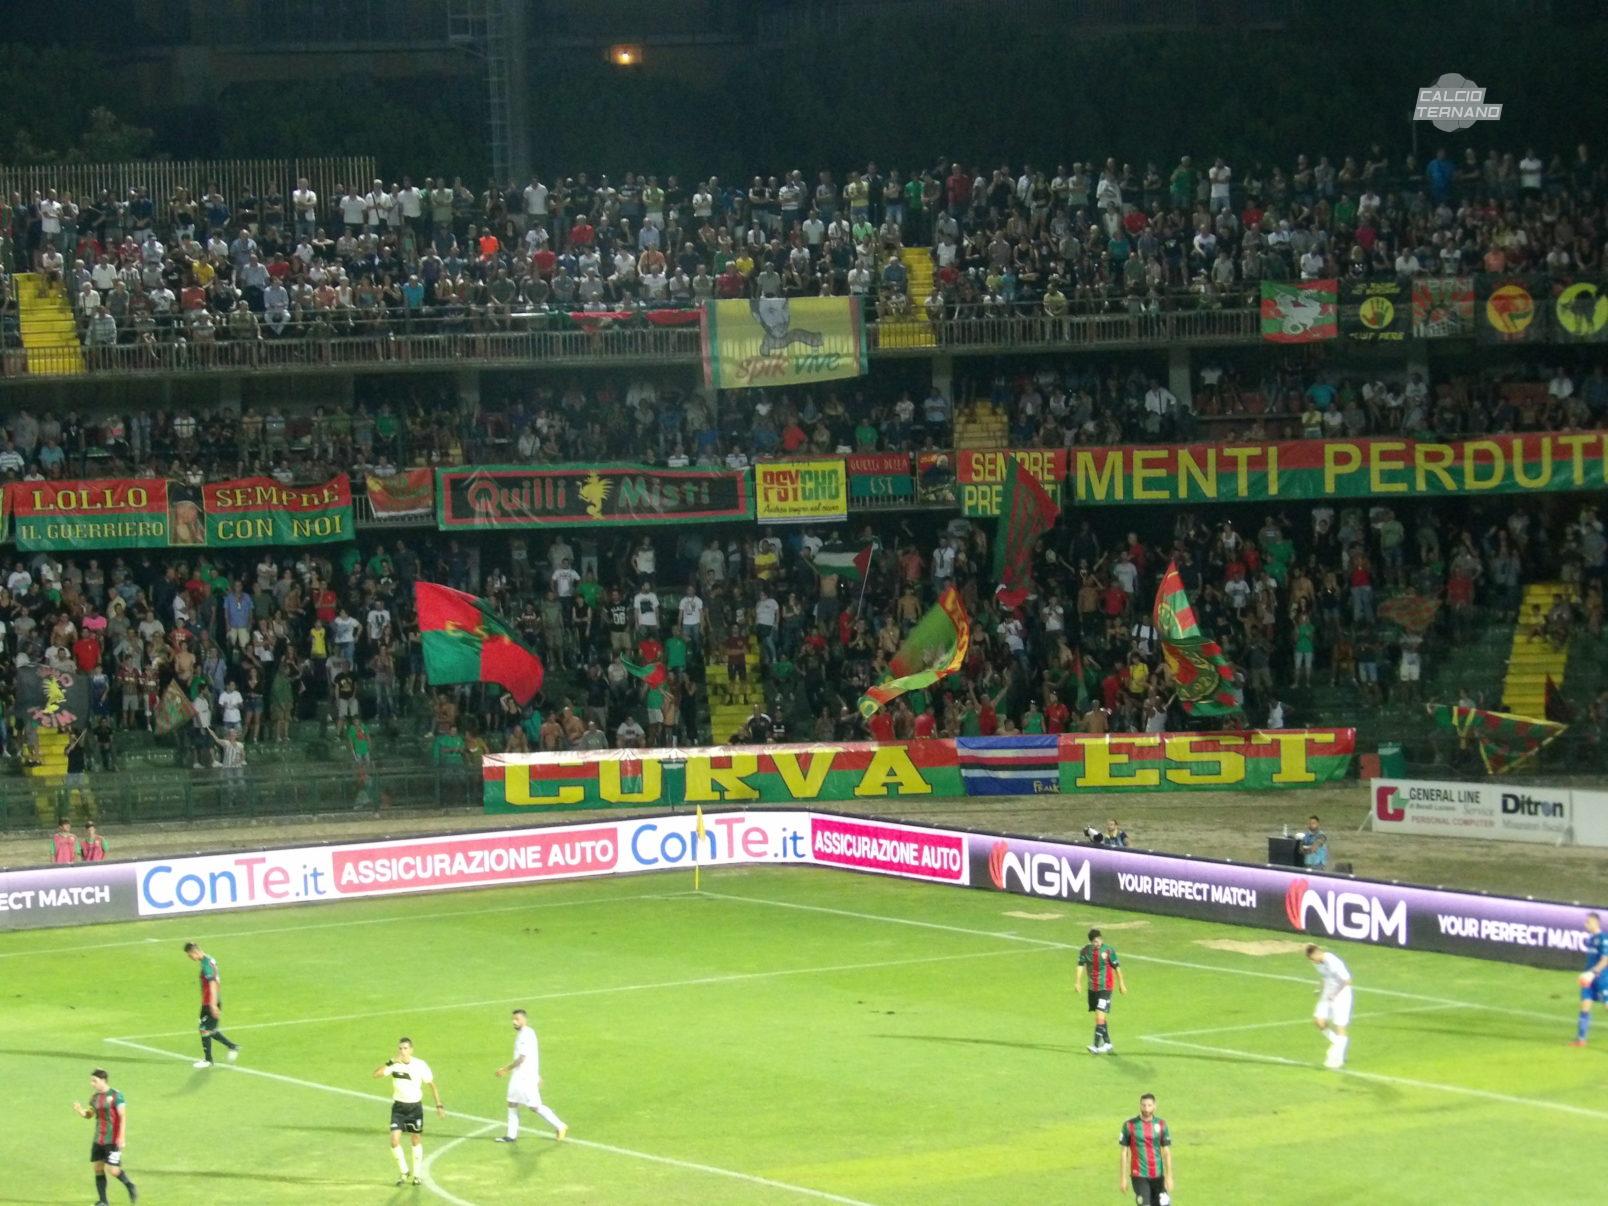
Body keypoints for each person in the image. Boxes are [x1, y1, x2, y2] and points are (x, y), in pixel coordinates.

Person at [373, 1037, 445, 1186]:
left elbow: (431, 1085)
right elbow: (376, 1075)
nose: (402, 1051)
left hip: (414, 1108)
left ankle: (417, 1175)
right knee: (394, 1141)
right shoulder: (394, 1064)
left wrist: (439, 1105)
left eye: (405, 1048)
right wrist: (390, 1062)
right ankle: (404, 1171)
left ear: (411, 1050)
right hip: (398, 1108)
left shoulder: (420, 1065)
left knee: (415, 1140)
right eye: (400, 1048)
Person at [494, 1008, 569, 1143]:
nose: (514, 1022)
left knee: (534, 1106)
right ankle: (511, 1135)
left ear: (524, 1019)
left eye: (517, 1019)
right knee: (512, 1102)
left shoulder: (526, 1035)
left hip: (525, 1078)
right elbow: (532, 1056)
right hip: (519, 1076)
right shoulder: (524, 1033)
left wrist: (506, 1069)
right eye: (513, 1019)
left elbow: (522, 1058)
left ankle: (560, 1126)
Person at [74, 1068, 138, 1204]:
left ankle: (130, 1185)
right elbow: (90, 1114)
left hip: (112, 1139)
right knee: (98, 1168)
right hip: (98, 1138)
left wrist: (121, 1137)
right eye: (91, 1081)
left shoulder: (116, 1095)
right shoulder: (95, 1097)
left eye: (94, 1081)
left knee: (113, 1170)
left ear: (103, 1080)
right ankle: (103, 1202)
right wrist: (80, 1111)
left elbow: (123, 1116)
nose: (92, 1083)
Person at [184, 941, 241, 1067]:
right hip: (207, 1001)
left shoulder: (206, 965)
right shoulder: (209, 960)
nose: (190, 958)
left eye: (189, 955)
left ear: (195, 952)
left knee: (204, 1029)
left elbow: (213, 984)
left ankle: (208, 1060)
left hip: (211, 1001)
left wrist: (213, 1004)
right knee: (209, 1029)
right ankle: (233, 1046)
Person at [1075, 926, 1126, 1054]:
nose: (1098, 943)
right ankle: (1108, 1043)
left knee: (1099, 1015)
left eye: (1099, 940)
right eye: (1095, 941)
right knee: (1100, 1017)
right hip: (1093, 988)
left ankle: (1095, 1046)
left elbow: (1117, 968)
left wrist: (1121, 984)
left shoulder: (1108, 950)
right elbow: (1080, 966)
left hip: (1105, 988)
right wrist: (1077, 982)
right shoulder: (1085, 951)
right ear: (1091, 942)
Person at [1118, 1092, 1173, 1206]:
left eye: (1149, 1105)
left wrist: (1169, 1177)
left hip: (1158, 1176)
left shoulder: (1161, 1124)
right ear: (1140, 1105)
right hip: (1139, 1176)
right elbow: (1124, 1153)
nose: (1146, 1109)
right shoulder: (1129, 1125)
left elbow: (1166, 1152)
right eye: (1143, 1105)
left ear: (1154, 1106)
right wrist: (1123, 1178)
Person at [1306, 943, 1353, 1068]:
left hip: (1342, 994)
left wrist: (1335, 994)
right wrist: (1319, 988)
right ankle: (1339, 1044)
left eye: (1313, 958)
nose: (1313, 961)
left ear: (1318, 953)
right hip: (1328, 993)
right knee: (1319, 1021)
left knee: (1340, 1026)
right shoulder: (1317, 963)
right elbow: (1325, 976)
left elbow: (1347, 981)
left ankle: (1338, 1059)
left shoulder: (1332, 961)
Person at [1572, 911, 1608, 1046]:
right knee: (1585, 1006)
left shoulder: (1604, 938)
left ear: (1595, 923)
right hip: (1588, 979)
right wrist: (1586, 974)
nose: (1585, 924)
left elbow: (1605, 960)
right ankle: (1581, 1039)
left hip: (1602, 978)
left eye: (1588, 922)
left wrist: (1592, 973)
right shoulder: (1590, 939)